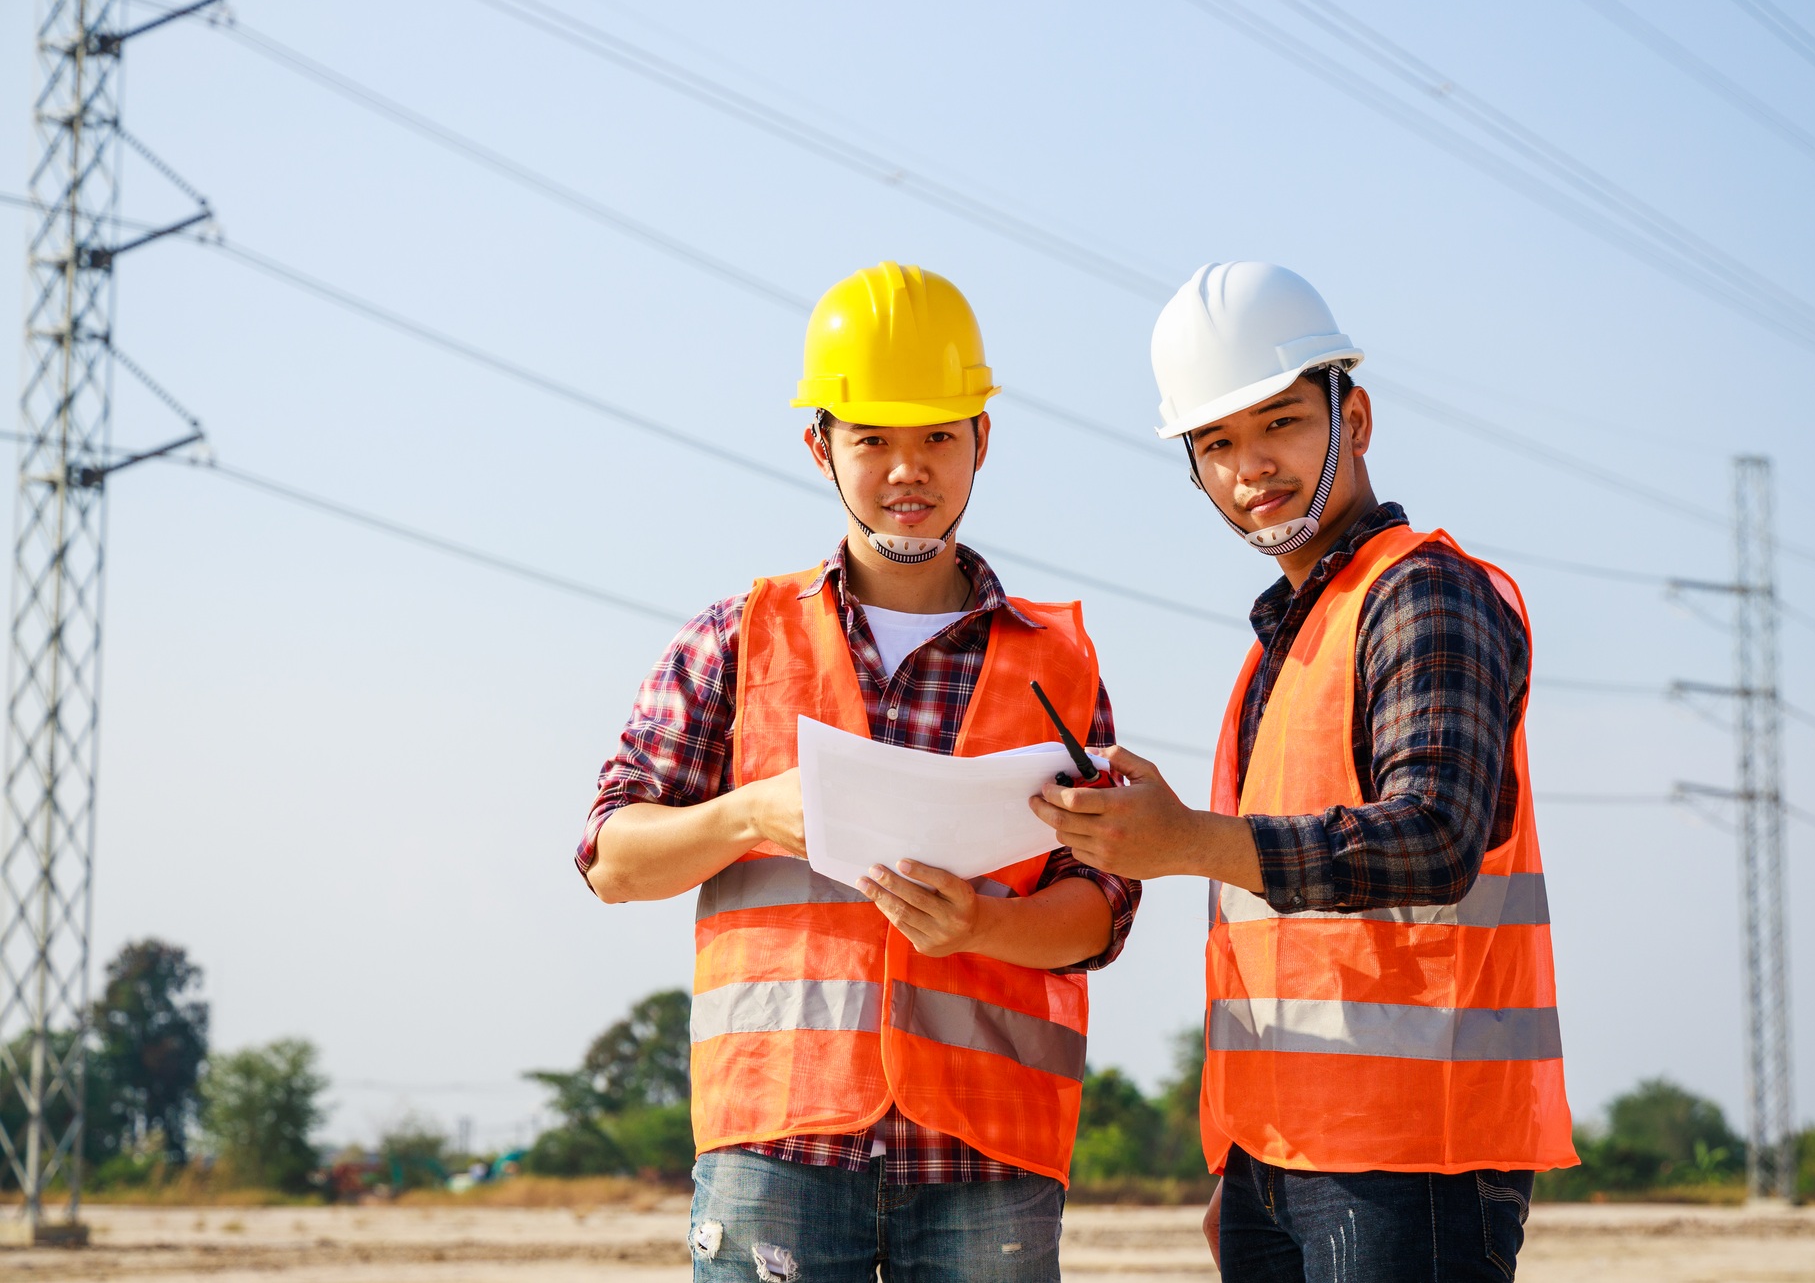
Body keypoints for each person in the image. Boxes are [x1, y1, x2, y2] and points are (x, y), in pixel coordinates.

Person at [577, 261, 1140, 1283]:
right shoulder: (735, 641)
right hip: (778, 1144)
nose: (905, 470)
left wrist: (985, 926)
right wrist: (751, 813)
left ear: (981, 439)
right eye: (871, 438)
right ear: (819, 445)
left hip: (986, 1155)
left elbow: (1101, 903)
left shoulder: (1057, 662)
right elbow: (614, 859)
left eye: (934, 436)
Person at [1031, 261, 1575, 1281]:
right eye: (1216, 444)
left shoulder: (1423, 594)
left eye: (1278, 422)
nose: (1250, 469)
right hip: (1279, 1155)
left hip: (1413, 1151)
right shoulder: (1279, 648)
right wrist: (1246, 1169)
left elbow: (1434, 837)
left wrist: (1185, 840)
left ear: (1353, 415)